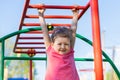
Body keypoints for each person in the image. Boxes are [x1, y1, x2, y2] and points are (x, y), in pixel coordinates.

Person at [38, 4, 80, 80]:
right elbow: (45, 32)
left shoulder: (70, 51)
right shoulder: (51, 50)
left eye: (66, 44)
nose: (63, 47)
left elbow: (73, 31)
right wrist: (41, 15)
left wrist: (75, 15)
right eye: (59, 44)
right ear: (52, 44)